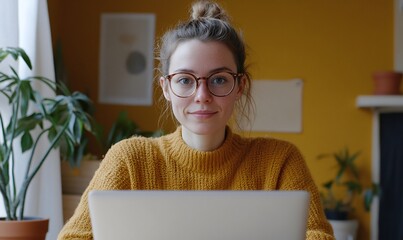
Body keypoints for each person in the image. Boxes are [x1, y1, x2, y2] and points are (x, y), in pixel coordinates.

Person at [58, 1, 334, 239]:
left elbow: (317, 236)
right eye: (185, 80)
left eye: (218, 79)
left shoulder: (280, 161)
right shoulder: (129, 160)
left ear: (240, 86)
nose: (202, 95)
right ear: (166, 87)